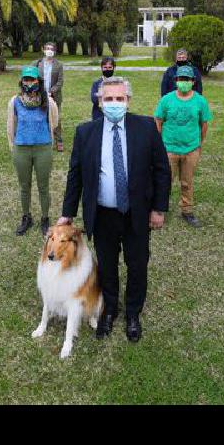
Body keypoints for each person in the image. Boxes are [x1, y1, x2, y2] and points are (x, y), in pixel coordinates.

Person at [57, 76, 171, 343]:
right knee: (107, 266)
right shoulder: (86, 132)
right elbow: (76, 175)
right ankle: (110, 310)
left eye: (120, 99)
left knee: (137, 264)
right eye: (109, 99)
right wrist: (67, 212)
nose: (114, 103)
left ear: (128, 101)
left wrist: (158, 209)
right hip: (103, 214)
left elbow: (161, 171)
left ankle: (133, 313)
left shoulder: (146, 128)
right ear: (100, 101)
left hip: (137, 213)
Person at [153, 65, 212, 228]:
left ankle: (187, 211)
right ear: (176, 81)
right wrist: (159, 145)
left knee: (187, 182)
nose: (184, 82)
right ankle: (158, 211)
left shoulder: (200, 101)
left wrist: (199, 144)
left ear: (193, 82)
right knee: (164, 181)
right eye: (181, 79)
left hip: (191, 149)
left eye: (187, 79)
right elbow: (158, 121)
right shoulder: (166, 100)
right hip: (169, 149)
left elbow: (204, 123)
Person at [6, 66, 59, 236]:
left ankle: (45, 218)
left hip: (43, 148)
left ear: (38, 81)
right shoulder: (15, 101)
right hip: (21, 148)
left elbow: (55, 121)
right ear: (22, 82)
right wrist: (13, 145)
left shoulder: (48, 101)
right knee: (24, 186)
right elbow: (11, 124)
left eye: (32, 79)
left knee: (43, 186)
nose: (29, 83)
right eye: (26, 79)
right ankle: (26, 217)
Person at [34, 42, 64, 151]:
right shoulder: (37, 63)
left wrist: (52, 91)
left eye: (51, 49)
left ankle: (59, 140)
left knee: (57, 118)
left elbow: (60, 81)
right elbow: (32, 78)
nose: (49, 50)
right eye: (47, 48)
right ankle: (42, 139)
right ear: (44, 50)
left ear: (54, 51)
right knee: (40, 117)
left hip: (54, 96)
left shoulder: (59, 65)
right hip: (39, 95)